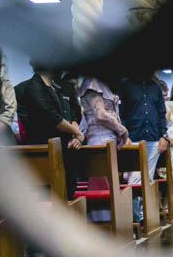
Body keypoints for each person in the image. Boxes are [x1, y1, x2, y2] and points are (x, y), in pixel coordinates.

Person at [16, 61, 85, 197]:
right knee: (52, 197)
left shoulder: (56, 86)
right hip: (46, 149)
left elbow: (71, 112)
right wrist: (78, 133)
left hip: (66, 148)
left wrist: (75, 136)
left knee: (69, 193)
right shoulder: (32, 87)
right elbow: (51, 117)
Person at [118, 74, 168, 226]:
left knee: (149, 180)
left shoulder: (155, 87)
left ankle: (147, 219)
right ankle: (135, 220)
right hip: (132, 137)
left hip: (153, 139)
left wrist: (164, 135)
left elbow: (161, 113)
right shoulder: (126, 85)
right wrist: (124, 134)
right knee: (134, 180)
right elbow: (121, 113)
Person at [79, 76, 128, 146]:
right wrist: (123, 130)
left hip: (111, 140)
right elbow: (101, 115)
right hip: (100, 140)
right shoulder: (92, 82)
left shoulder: (105, 84)